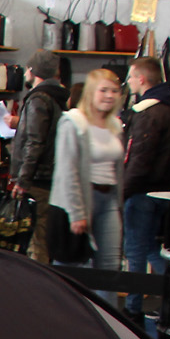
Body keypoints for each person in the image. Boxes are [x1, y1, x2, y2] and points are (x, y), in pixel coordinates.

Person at [50, 67, 125, 301]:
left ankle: (107, 320)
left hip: (108, 200)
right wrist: (77, 213)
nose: (109, 95)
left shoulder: (115, 125)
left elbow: (118, 169)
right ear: (91, 92)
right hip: (79, 200)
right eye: (104, 90)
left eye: (114, 91)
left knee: (109, 267)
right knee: (72, 269)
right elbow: (67, 169)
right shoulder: (73, 122)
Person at [121, 56, 170, 317]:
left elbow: (139, 158)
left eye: (131, 76)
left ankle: (133, 308)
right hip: (164, 190)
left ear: (142, 79)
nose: (128, 82)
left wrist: (123, 192)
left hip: (142, 191)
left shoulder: (147, 112)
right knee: (149, 247)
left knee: (135, 250)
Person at [9, 49, 68, 263]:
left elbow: (35, 142)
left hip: (36, 180)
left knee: (35, 240)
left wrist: (23, 180)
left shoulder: (38, 99)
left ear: (33, 71)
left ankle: (37, 280)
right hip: (49, 177)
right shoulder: (58, 97)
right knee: (41, 236)